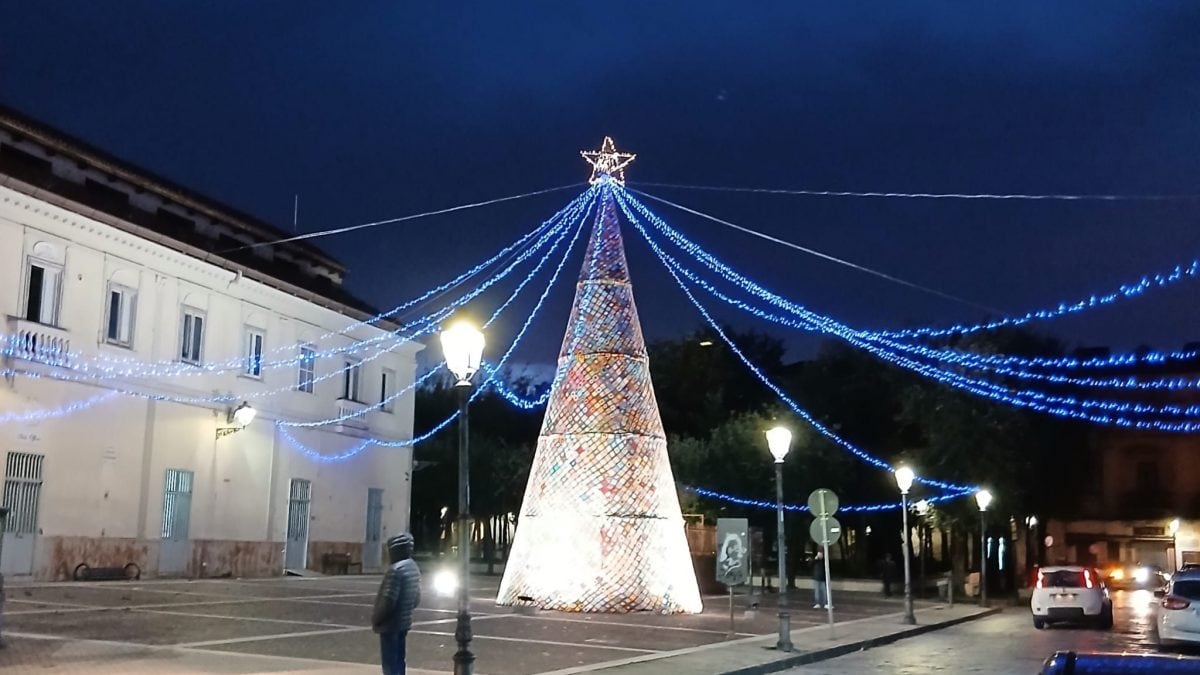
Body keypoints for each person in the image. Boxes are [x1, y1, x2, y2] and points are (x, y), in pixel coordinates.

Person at [373, 533, 421, 675]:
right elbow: (416, 598)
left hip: (390, 624)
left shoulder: (395, 571)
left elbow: (388, 601)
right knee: (400, 659)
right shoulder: (413, 567)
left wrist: (376, 618)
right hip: (404, 622)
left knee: (390, 664)